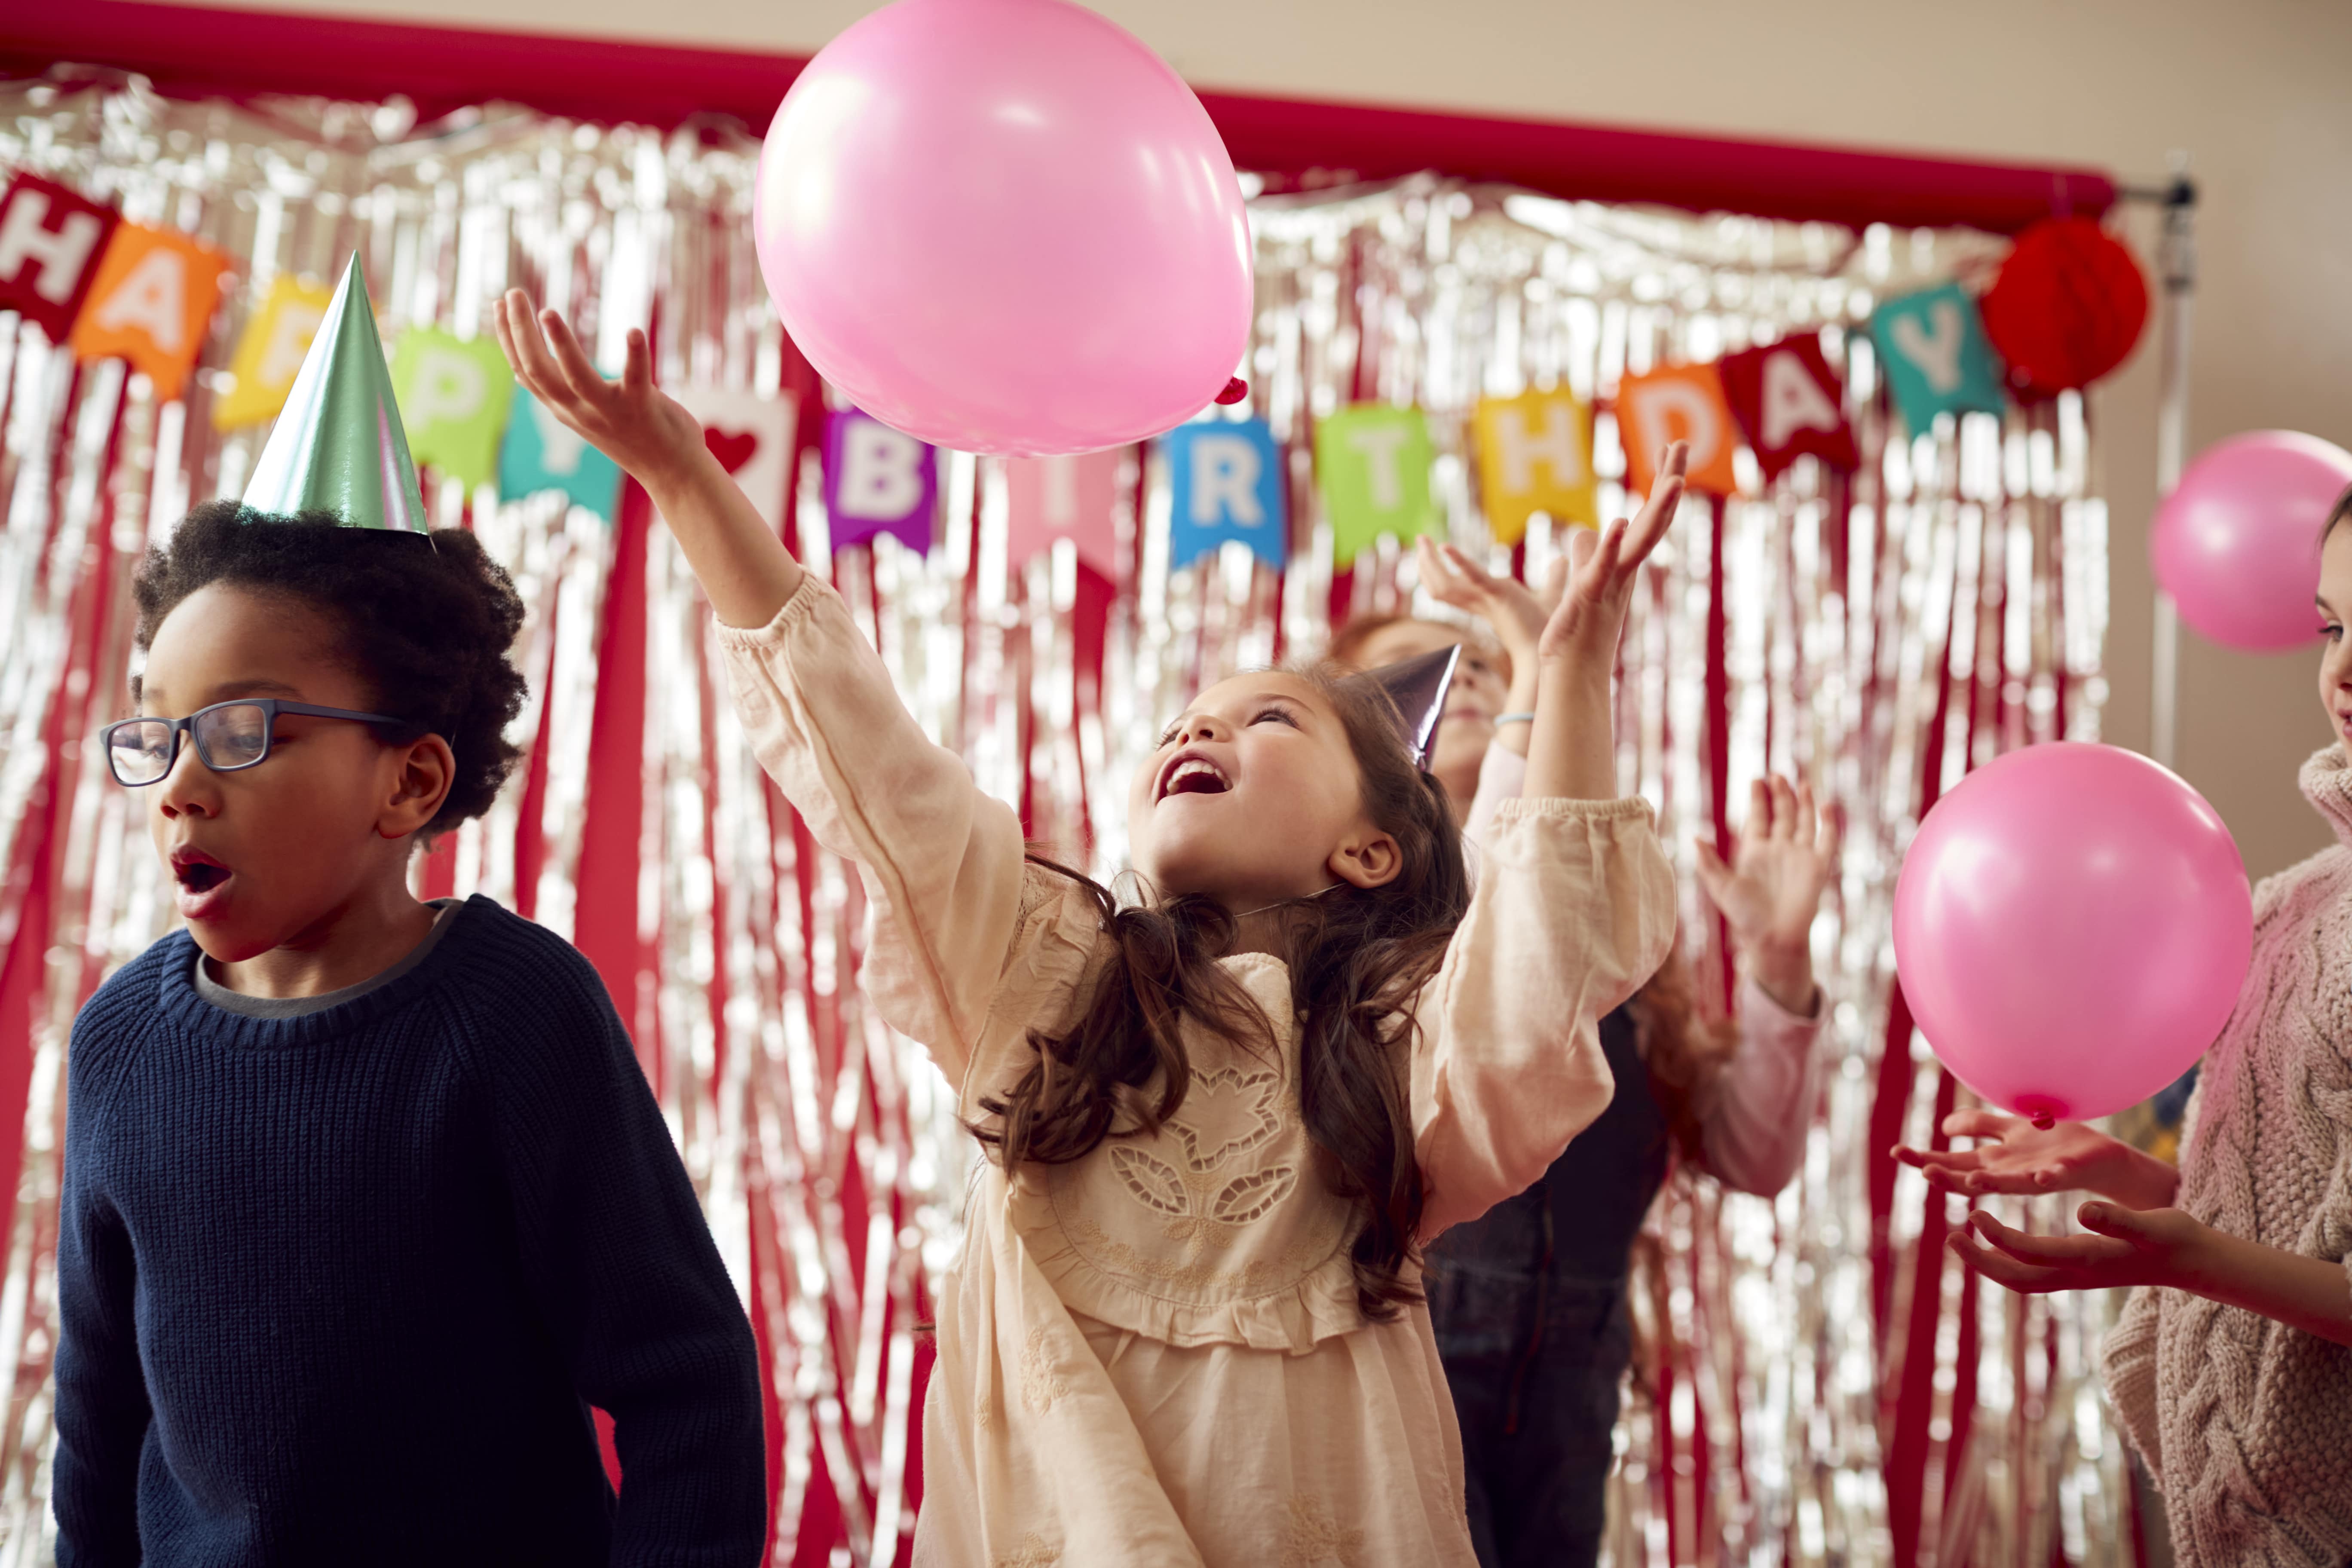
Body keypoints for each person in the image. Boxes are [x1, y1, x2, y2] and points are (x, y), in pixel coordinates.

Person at [494, 288, 1681, 1568]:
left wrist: (1568, 675)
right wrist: (686, 476)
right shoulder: (1043, 980)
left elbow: (1534, 963)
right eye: (1188, 718)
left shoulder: (1392, 1061)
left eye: (1268, 719)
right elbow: (873, 761)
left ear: (1369, 849)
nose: (1198, 728)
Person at [51, 259, 766, 1567]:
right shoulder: (119, 1042)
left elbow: (688, 1384)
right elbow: (100, 1421)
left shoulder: (514, 1015)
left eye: (244, 729)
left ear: (411, 778)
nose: (183, 784)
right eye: (159, 734)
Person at [1328, 539, 1835, 1568]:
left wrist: (1780, 966)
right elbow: (1500, 922)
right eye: (1412, 675)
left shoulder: (1612, 947)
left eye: (1476, 663)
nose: (1459, 680)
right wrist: (1540, 659)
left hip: (1578, 1366)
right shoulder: (1353, 929)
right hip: (1399, 1342)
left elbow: (1755, 1159)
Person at [1896, 488, 2352, 1568]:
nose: (2342, 669)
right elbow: (2294, 1212)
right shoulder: (2290, 908)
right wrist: (2136, 1182)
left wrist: (2197, 1264)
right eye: (2335, 625)